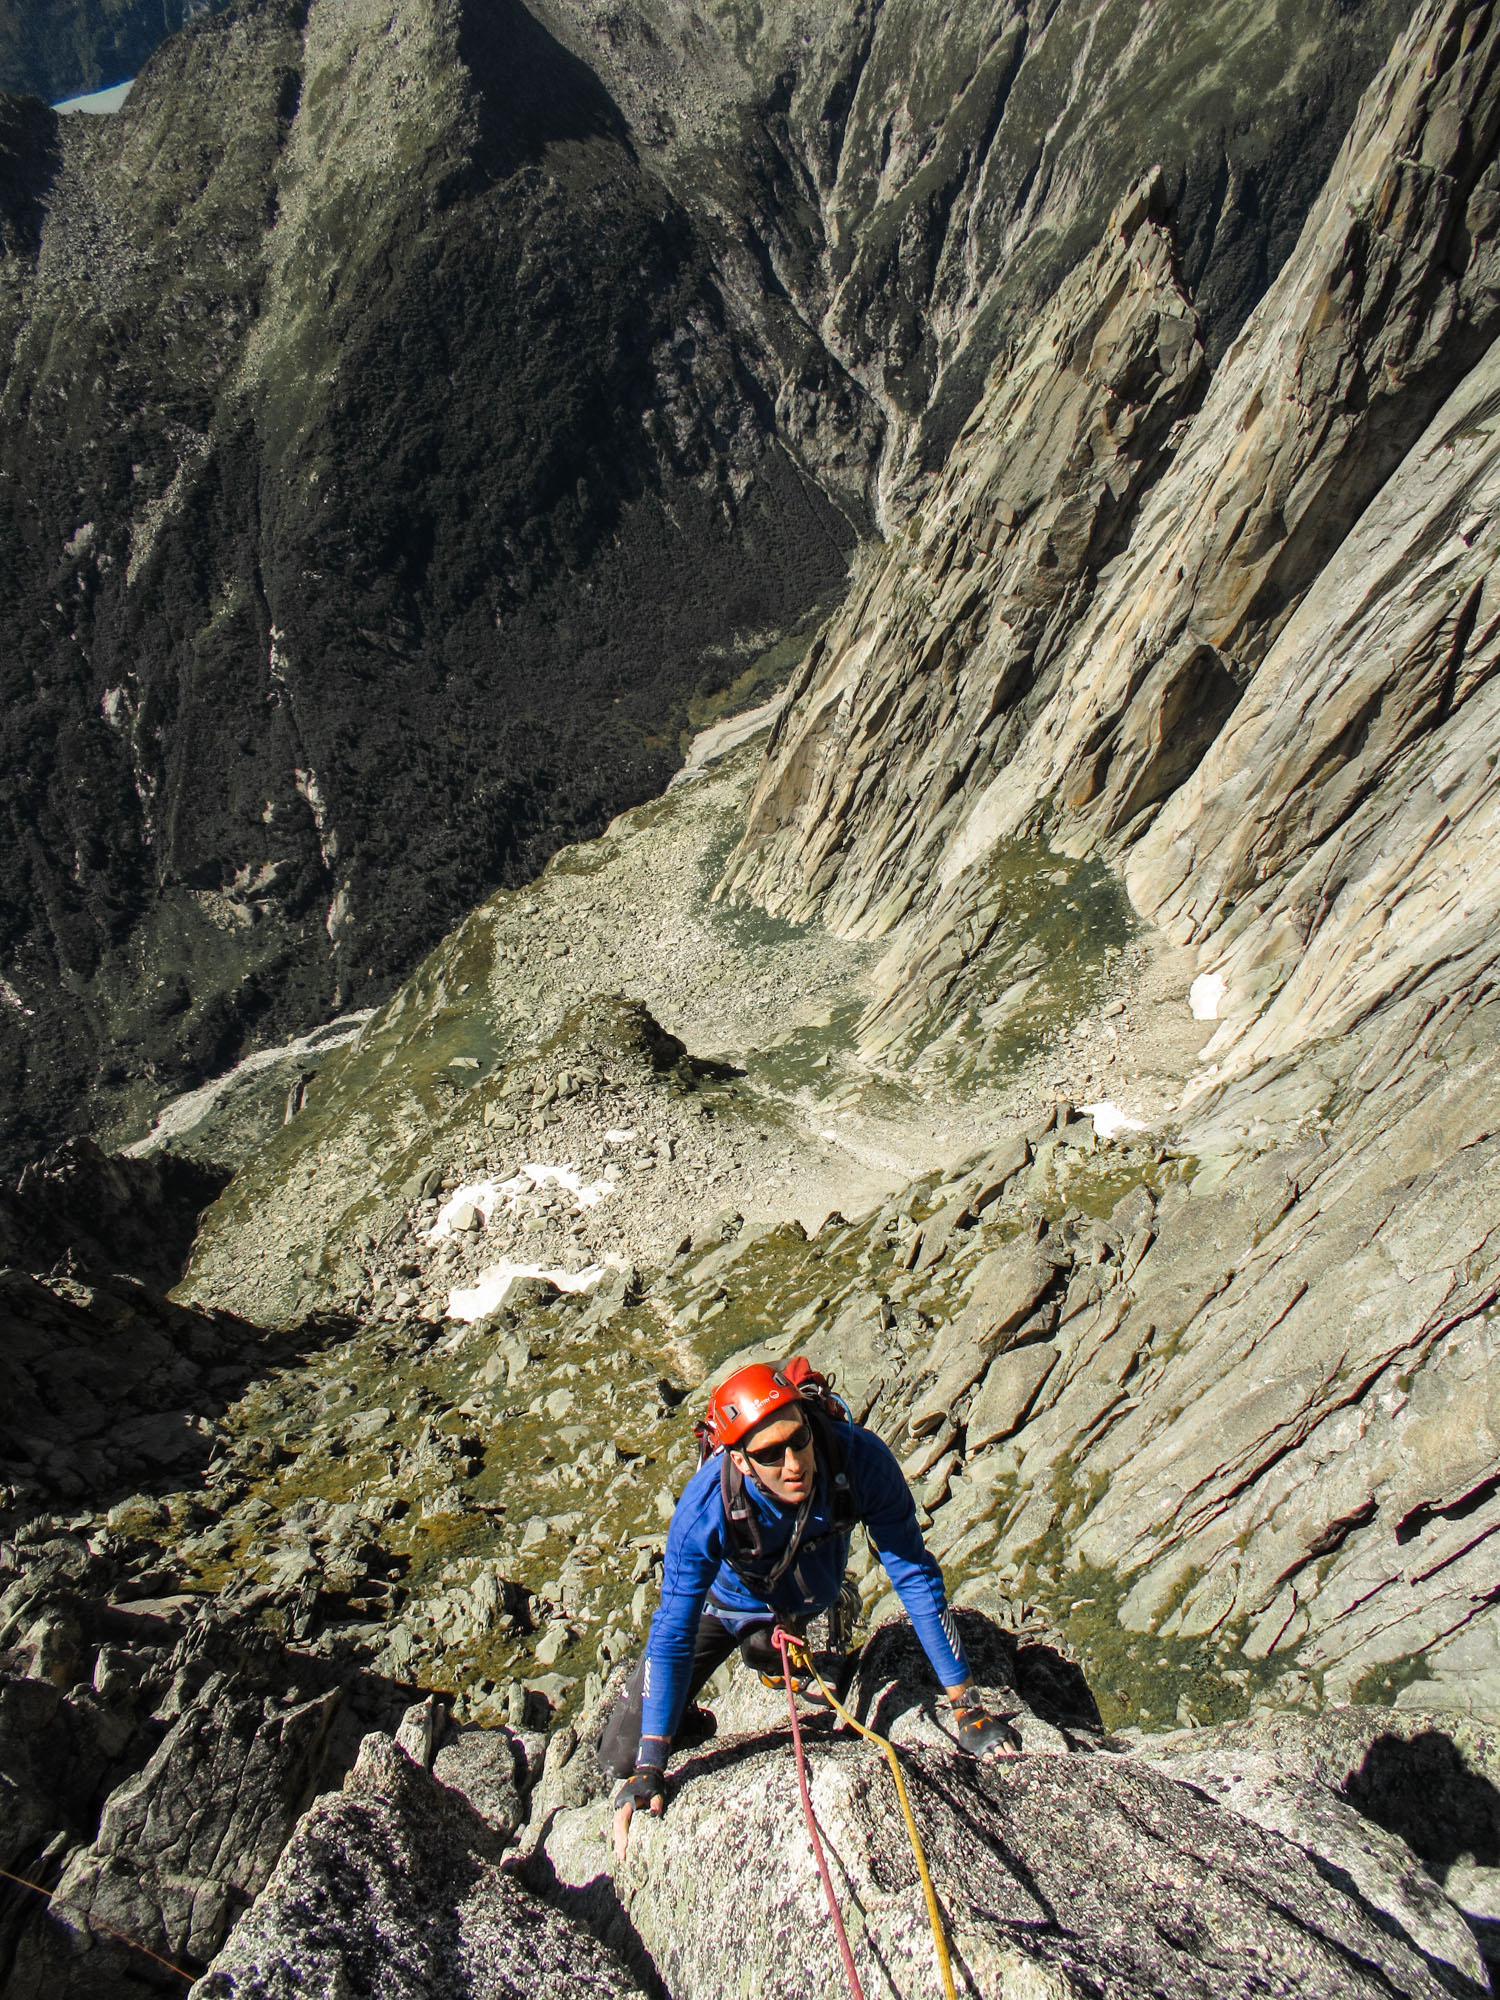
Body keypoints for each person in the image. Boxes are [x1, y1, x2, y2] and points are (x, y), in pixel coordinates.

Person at [601, 1358, 1019, 1857]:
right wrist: (650, 1765)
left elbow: (913, 1575)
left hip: (805, 1594)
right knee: (619, 1757)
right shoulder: (706, 1506)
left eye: (799, 1439)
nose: (794, 1462)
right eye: (771, 1454)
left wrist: (966, 1708)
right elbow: (672, 1629)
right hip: (725, 1603)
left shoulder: (857, 1459)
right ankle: (693, 1714)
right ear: (738, 1460)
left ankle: (793, 1639)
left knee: (765, 1652)